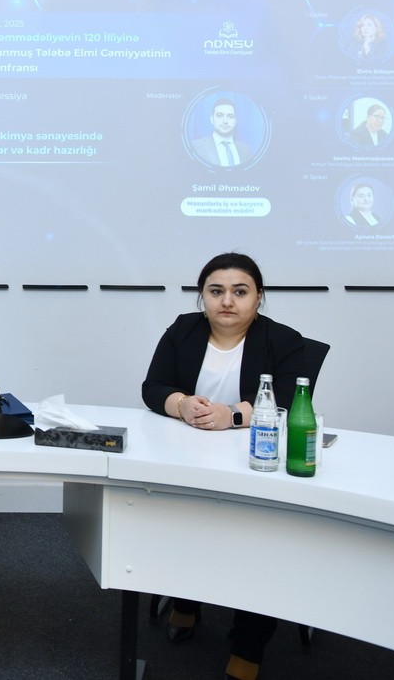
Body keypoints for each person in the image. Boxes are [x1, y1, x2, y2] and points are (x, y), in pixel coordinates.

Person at [140, 252, 308, 680]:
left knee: (258, 545)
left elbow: (289, 400)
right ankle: (186, 600)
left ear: (258, 297)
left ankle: (249, 643)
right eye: (216, 291)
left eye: (240, 291)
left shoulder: (283, 340)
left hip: (256, 460)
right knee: (181, 524)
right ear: (203, 296)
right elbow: (153, 386)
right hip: (188, 457)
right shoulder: (183, 330)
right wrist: (181, 405)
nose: (227, 301)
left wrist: (230, 415)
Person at [190, 97, 253, 168]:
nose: (225, 121)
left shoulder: (245, 150)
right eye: (219, 115)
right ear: (212, 119)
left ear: (235, 122)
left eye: (230, 116)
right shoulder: (196, 146)